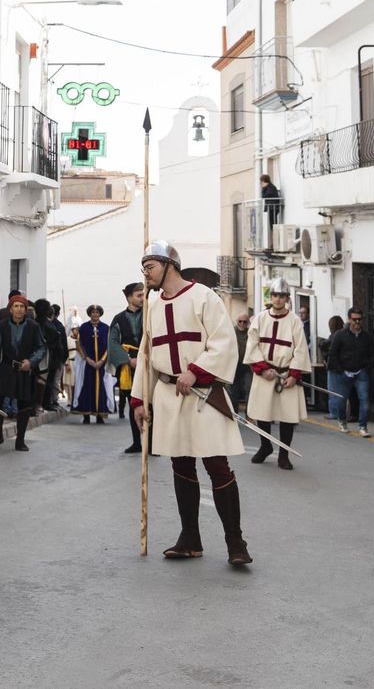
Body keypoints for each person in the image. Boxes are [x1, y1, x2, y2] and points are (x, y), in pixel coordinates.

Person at [131, 241, 251, 566]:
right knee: (181, 465)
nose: (146, 274)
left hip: (202, 395)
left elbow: (224, 342)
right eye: (143, 269)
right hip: (170, 396)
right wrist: (140, 397)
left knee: (216, 465)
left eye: (150, 267)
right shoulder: (153, 308)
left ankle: (235, 542)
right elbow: (146, 354)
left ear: (170, 265)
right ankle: (190, 538)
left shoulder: (204, 297)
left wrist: (196, 371)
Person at [245, 277, 311, 470]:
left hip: (286, 375)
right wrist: (263, 369)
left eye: (282, 296)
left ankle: (283, 454)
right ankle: (265, 446)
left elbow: (300, 349)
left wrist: (293, 375)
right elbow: (252, 345)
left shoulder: (295, 321)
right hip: (265, 373)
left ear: (287, 298)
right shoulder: (260, 319)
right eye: (275, 295)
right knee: (262, 414)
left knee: (287, 416)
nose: (278, 299)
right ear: (271, 296)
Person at [0, 294, 45, 451]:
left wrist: (31, 361)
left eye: (22, 306)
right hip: (6, 368)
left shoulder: (33, 327)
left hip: (24, 371)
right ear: (11, 309)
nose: (19, 309)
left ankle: (20, 440)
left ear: (25, 309)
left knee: (24, 405)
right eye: (16, 306)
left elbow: (41, 347)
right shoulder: (1, 326)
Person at [325, 308, 374, 437]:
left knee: (364, 400)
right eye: (354, 320)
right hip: (344, 373)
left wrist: (366, 368)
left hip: (361, 373)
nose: (357, 322)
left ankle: (363, 426)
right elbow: (332, 354)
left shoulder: (366, 337)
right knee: (341, 401)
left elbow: (373, 354)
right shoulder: (340, 335)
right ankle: (342, 421)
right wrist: (340, 370)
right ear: (349, 319)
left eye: (360, 320)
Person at [112, 283, 146, 454]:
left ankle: (152, 444)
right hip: (129, 368)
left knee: (152, 405)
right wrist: (128, 360)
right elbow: (112, 343)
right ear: (129, 297)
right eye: (139, 295)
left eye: (143, 295)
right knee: (134, 404)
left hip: (149, 364)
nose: (142, 298)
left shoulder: (150, 315)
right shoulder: (118, 319)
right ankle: (137, 442)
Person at [72, 304, 116, 422]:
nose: (95, 314)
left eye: (97, 312)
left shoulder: (106, 328)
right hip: (87, 364)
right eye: (93, 312)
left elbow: (110, 346)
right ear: (89, 314)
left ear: (100, 314)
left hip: (102, 364)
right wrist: (88, 359)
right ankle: (86, 414)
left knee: (102, 387)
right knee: (86, 386)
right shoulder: (84, 328)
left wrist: (102, 360)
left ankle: (100, 414)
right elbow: (79, 344)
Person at [35, 299, 67, 412]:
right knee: (46, 382)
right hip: (48, 359)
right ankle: (44, 403)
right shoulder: (47, 325)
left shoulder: (38, 322)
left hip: (46, 358)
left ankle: (42, 403)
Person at [230, 311, 252, 413]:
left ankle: (249, 414)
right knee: (233, 392)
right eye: (240, 321)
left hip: (247, 366)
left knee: (249, 389)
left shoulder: (251, 333)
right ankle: (234, 415)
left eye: (245, 322)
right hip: (234, 366)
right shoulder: (231, 332)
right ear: (237, 321)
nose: (242, 324)